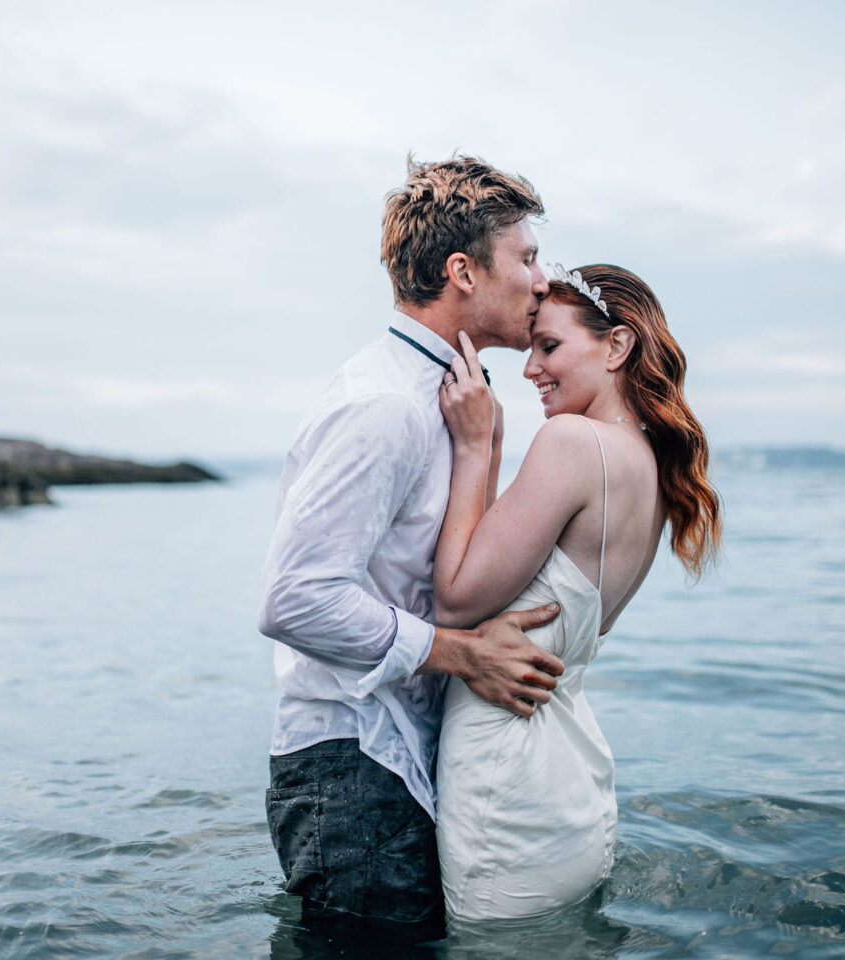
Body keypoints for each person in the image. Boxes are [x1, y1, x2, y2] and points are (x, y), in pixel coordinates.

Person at [257, 156, 567, 941]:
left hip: (392, 760)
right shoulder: (385, 407)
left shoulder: (450, 398)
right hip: (351, 765)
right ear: (463, 271)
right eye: (526, 258)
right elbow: (296, 599)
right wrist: (464, 655)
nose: (542, 278)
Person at [431, 264, 722, 922]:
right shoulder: (645, 466)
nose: (530, 368)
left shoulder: (572, 444)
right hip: (570, 777)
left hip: (508, 770)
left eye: (549, 347)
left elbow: (453, 599)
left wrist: (476, 447)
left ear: (616, 347)